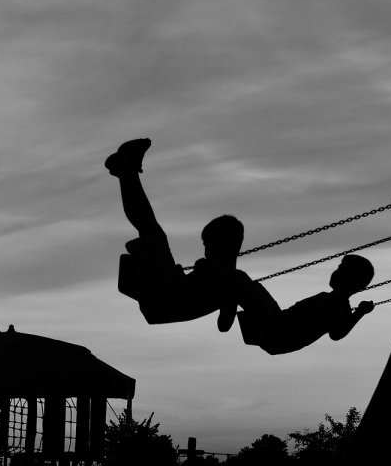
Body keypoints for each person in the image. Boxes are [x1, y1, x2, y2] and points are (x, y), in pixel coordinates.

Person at [105, 138, 245, 331]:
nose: (205, 249)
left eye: (209, 244)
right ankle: (126, 172)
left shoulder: (233, 279)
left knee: (152, 232)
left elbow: (224, 325)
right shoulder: (224, 275)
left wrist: (218, 284)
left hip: (168, 298)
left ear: (225, 244)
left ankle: (126, 171)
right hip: (168, 295)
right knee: (150, 230)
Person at [236, 255, 375, 355]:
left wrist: (360, 312)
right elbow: (337, 332)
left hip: (278, 331)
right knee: (243, 284)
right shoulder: (334, 301)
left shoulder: (339, 305)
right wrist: (359, 312)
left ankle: (227, 310)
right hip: (277, 329)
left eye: (342, 270)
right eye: (339, 268)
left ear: (352, 280)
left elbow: (337, 334)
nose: (336, 272)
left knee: (240, 280)